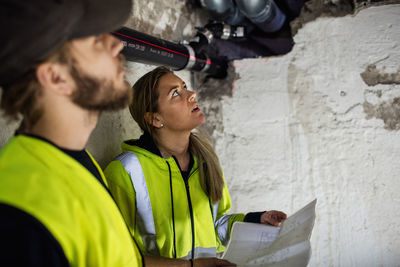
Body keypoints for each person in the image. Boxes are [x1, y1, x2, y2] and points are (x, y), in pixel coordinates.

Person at [0, 1, 235, 266]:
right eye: (96, 40)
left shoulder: (75, 162)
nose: (116, 45)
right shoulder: (22, 209)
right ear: (56, 77)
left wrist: (192, 265)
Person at [104, 66, 287, 262]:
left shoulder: (206, 160)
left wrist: (256, 220)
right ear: (155, 119)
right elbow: (117, 254)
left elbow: (215, 229)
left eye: (184, 87)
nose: (192, 94)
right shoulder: (126, 172)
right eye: (176, 93)